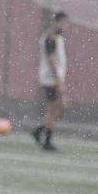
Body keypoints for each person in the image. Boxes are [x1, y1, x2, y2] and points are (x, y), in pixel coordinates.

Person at [33, 11, 69, 152]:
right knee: (55, 108)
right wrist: (59, 82)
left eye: (66, 23)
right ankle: (46, 139)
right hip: (50, 79)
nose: (65, 25)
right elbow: (52, 60)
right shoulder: (51, 37)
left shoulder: (57, 37)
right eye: (62, 22)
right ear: (56, 22)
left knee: (57, 108)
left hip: (53, 79)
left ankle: (40, 131)